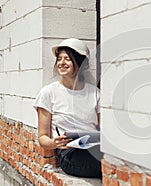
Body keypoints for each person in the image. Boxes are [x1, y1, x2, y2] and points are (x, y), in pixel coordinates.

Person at [33, 38, 102, 178]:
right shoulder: (49, 92)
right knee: (107, 164)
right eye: (59, 59)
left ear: (81, 63)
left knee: (116, 159)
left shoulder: (95, 92)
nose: (61, 63)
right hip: (70, 154)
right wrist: (54, 142)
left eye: (67, 59)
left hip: (95, 147)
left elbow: (103, 129)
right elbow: (42, 137)